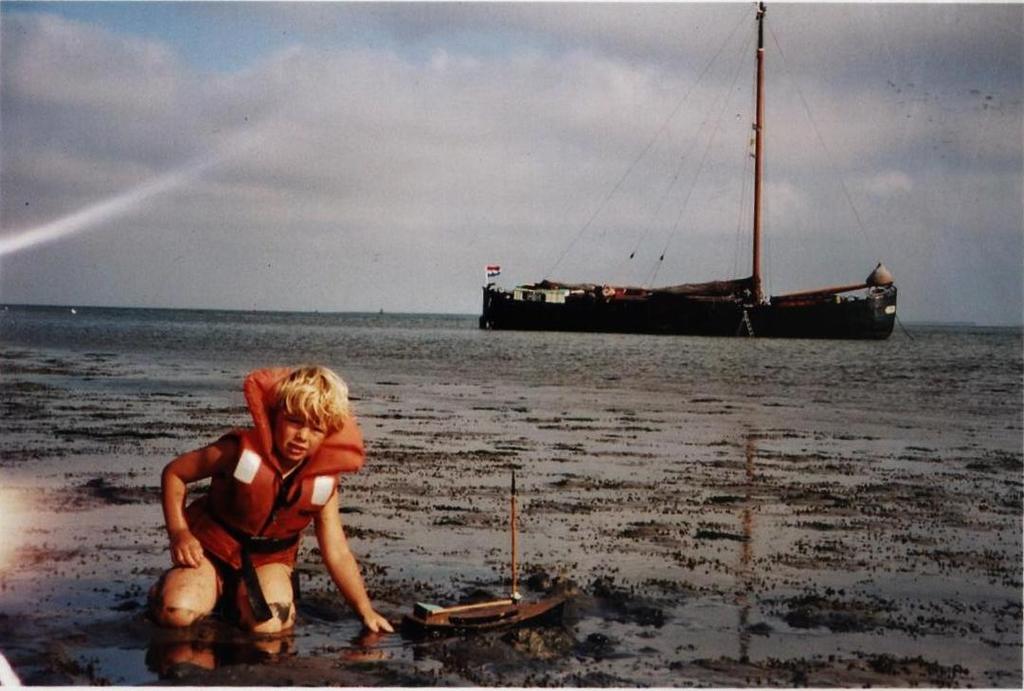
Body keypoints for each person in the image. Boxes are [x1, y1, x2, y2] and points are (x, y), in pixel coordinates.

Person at [149, 365, 393, 635]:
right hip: (211, 553)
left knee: (269, 627)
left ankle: (238, 601)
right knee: (176, 613)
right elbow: (174, 473)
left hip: (269, 561)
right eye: (294, 421)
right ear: (275, 416)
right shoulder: (235, 452)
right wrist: (179, 532)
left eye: (315, 429)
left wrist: (365, 610)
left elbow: (337, 552)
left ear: (328, 434)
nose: (302, 436)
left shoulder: (324, 483)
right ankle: (181, 589)